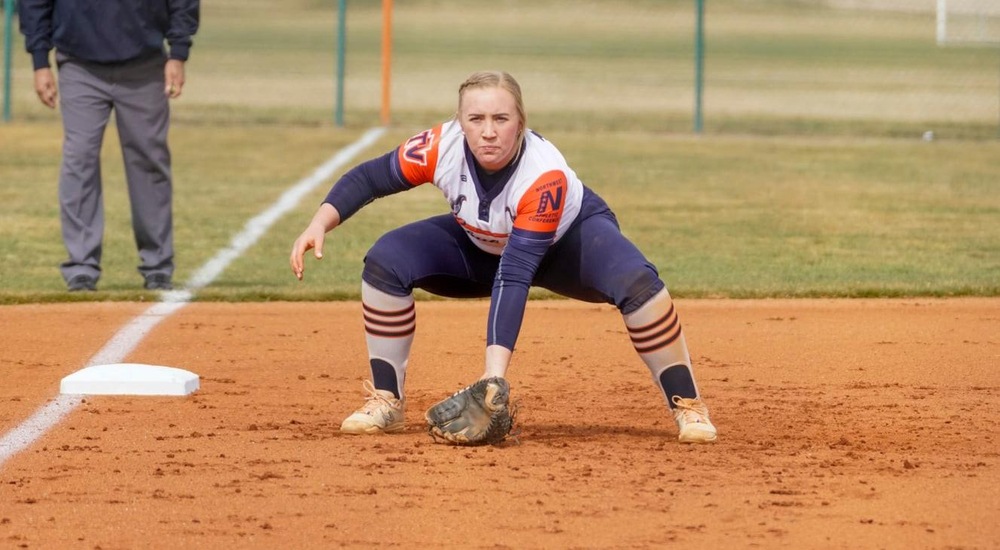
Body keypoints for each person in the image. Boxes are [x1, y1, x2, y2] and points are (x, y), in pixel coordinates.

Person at [290, 70, 718, 444]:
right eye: (476, 119)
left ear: (521, 124)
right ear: (461, 122)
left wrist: (493, 377)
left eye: (501, 118)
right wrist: (319, 223)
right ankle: (387, 401)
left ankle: (688, 405)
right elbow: (371, 177)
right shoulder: (442, 145)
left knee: (639, 285)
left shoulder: (542, 176)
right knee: (386, 261)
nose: (488, 131)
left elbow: (514, 274)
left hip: (569, 245)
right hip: (483, 246)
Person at [18, 0, 200, 292]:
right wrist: (40, 61)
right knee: (79, 160)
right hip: (79, 64)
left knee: (149, 161)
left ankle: (157, 266)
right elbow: (35, 3)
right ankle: (81, 267)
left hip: (146, 63)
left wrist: (178, 52)